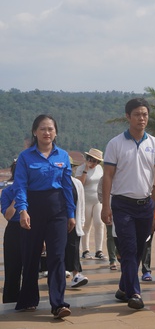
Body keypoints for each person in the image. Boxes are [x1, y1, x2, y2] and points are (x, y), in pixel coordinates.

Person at [101, 98, 155, 310]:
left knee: (140, 249)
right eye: (137, 114)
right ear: (128, 117)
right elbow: (108, 176)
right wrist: (106, 205)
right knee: (129, 249)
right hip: (122, 205)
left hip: (145, 205)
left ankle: (123, 287)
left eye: (145, 114)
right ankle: (135, 293)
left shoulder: (154, 143)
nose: (142, 118)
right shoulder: (115, 144)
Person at [13, 114, 76, 319]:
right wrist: (22, 210)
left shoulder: (63, 156)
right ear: (35, 132)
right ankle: (29, 299)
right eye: (42, 129)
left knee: (57, 257)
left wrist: (71, 214)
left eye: (50, 129)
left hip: (57, 211)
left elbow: (67, 186)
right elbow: (20, 185)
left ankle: (58, 304)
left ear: (55, 132)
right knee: (31, 256)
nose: (47, 132)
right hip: (33, 209)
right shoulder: (25, 157)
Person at [77, 148, 105, 260]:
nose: (94, 163)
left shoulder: (100, 169)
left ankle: (99, 250)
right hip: (85, 199)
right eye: (92, 160)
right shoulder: (80, 169)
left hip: (98, 199)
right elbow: (80, 184)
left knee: (99, 223)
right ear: (88, 159)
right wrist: (85, 169)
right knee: (86, 225)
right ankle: (85, 250)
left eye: (97, 161)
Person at [1, 160, 22, 303]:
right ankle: (11, 300)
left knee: (31, 269)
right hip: (14, 231)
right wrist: (17, 197)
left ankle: (28, 300)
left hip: (31, 229)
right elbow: (8, 215)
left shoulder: (34, 190)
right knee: (12, 268)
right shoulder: (7, 192)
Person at [67, 158, 89, 288]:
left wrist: (81, 222)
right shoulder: (55, 182)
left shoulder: (76, 183)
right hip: (58, 222)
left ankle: (76, 274)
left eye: (70, 166)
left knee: (73, 247)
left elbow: (81, 203)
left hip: (74, 222)